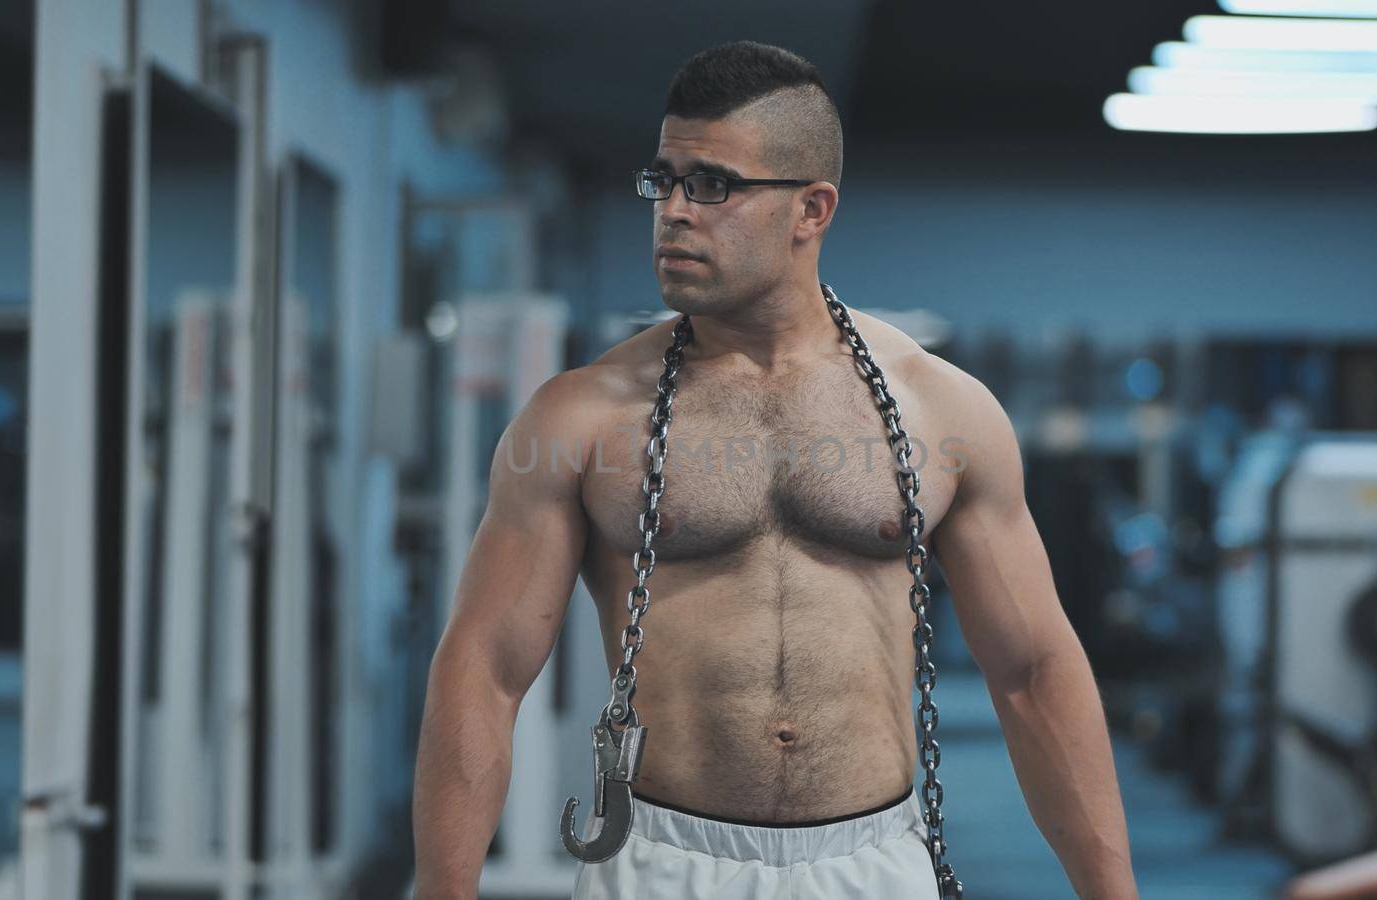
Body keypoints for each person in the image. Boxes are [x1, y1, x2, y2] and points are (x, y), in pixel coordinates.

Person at [412, 40, 1138, 900]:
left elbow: (1031, 670)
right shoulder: (582, 416)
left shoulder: (941, 411)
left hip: (871, 864)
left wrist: (1111, 892)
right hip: (660, 862)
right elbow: (485, 669)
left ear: (811, 209)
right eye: (664, 179)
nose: (674, 211)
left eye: (712, 184)